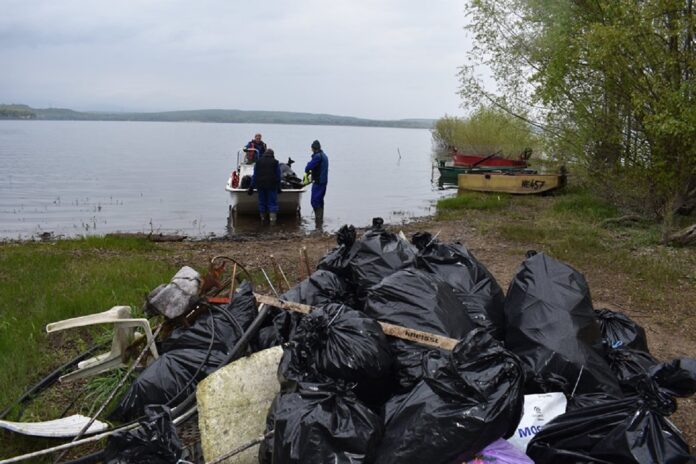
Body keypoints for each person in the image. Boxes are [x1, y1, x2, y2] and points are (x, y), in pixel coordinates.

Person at [248, 148, 281, 223]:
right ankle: (272, 221)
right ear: (272, 155)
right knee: (272, 203)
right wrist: (279, 187)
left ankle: (263, 220)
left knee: (262, 202)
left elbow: (255, 175)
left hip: (260, 185)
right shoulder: (275, 162)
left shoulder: (258, 162)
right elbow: (278, 176)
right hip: (272, 185)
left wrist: (251, 187)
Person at [304, 140, 329, 224]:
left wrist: (307, 170)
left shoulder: (317, 156)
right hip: (324, 182)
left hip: (318, 182)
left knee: (314, 201)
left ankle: (318, 219)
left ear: (313, 148)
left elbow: (308, 167)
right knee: (320, 200)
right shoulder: (324, 156)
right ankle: (320, 220)